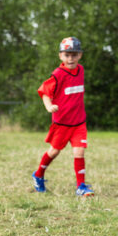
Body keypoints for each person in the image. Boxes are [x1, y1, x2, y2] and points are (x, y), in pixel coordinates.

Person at [32, 37, 94, 197]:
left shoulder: (81, 70)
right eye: (67, 55)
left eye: (74, 55)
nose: (71, 58)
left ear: (80, 55)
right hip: (62, 124)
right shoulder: (58, 75)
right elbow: (44, 92)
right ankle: (38, 175)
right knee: (54, 152)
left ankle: (81, 186)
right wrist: (49, 106)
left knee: (79, 153)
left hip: (79, 123)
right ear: (60, 56)